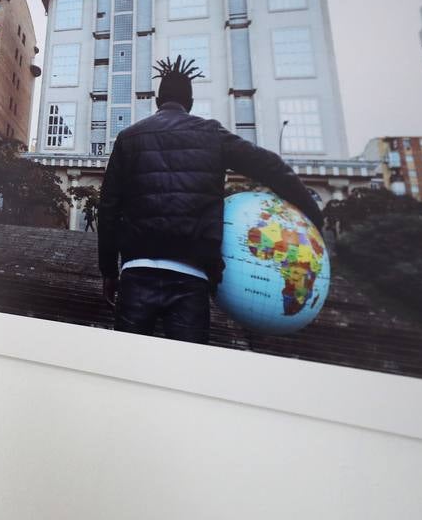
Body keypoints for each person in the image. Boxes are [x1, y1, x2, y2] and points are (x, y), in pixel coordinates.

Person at [98, 56, 324, 344]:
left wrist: (108, 271)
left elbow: (108, 208)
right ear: (190, 102)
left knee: (126, 371)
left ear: (158, 99)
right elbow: (271, 167)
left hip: (136, 273)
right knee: (188, 378)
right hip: (191, 280)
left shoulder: (129, 138)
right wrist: (313, 217)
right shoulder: (211, 134)